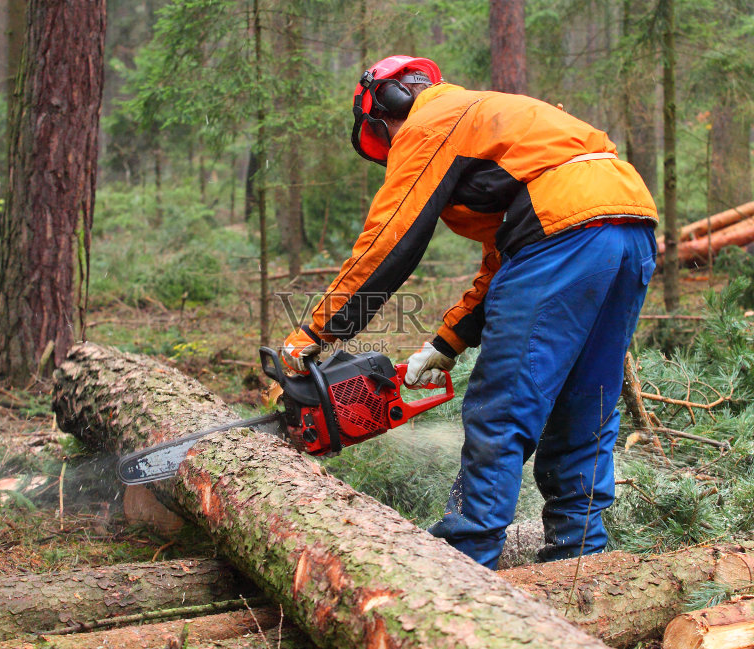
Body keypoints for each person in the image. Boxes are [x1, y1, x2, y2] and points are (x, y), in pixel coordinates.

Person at [280, 55, 658, 569]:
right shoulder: (489, 120)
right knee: (585, 401)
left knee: (502, 404)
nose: (392, 147)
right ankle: (580, 560)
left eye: (384, 135)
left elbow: (389, 243)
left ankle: (465, 559)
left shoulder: (429, 121)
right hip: (629, 223)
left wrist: (315, 332)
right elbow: (505, 259)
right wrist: (445, 342)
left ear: (386, 106)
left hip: (564, 237)